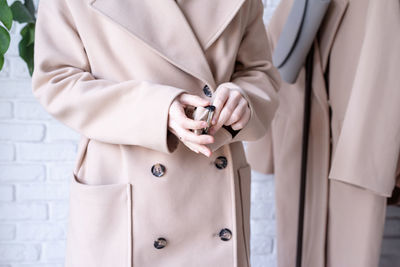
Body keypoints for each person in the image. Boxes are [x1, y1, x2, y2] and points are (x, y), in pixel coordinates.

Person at [32, 0, 280, 266]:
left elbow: (259, 72)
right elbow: (56, 81)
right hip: (128, 187)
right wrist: (157, 111)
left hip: (211, 178)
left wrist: (241, 99)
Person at [246, 0, 400, 266]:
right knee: (302, 240)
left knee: (350, 247)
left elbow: (385, 70)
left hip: (359, 143)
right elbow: (277, 49)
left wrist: (381, 164)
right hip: (304, 136)